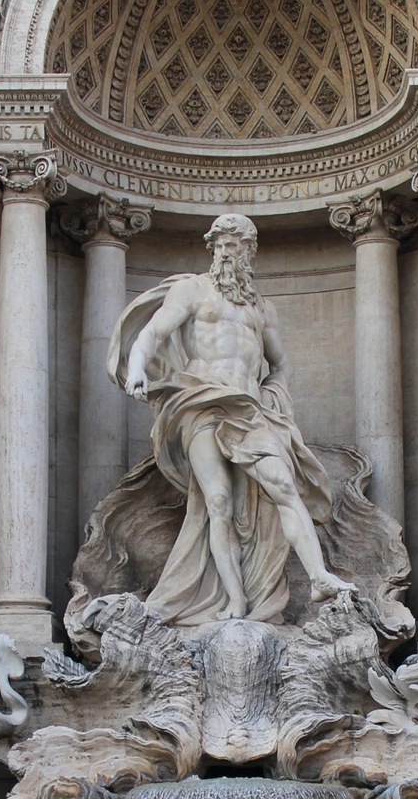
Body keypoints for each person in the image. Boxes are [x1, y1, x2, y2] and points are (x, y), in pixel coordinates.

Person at [108, 213, 354, 624]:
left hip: (248, 408)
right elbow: (151, 333)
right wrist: (137, 369)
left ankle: (319, 577)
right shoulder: (193, 289)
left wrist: (274, 395)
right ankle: (235, 602)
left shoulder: (261, 309)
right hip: (200, 403)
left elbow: (281, 363)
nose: (226, 252)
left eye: (234, 245)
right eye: (220, 244)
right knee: (217, 501)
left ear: (249, 252)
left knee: (283, 485)